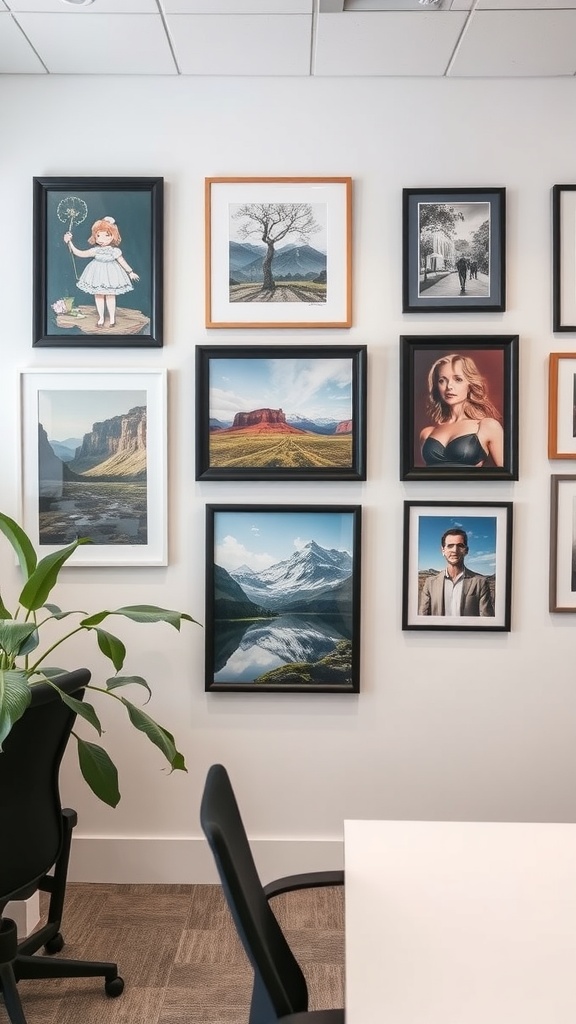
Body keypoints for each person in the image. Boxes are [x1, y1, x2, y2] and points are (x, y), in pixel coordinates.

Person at [419, 353, 504, 468]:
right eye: (442, 381)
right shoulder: (427, 433)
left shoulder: (488, 426)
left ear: (470, 385)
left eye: (458, 379)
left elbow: (507, 476)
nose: (449, 386)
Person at [63, 216, 139, 328]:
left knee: (110, 296)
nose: (101, 239)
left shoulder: (115, 251)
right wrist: (69, 242)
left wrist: (130, 272)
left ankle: (112, 318)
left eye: (106, 235)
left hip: (112, 275)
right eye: (98, 235)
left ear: (113, 236)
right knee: (98, 295)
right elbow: (80, 253)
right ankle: (101, 317)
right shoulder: (95, 250)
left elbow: (122, 261)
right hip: (97, 275)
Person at [418, 528, 494, 617]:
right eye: (450, 546)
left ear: (466, 550)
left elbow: (487, 621)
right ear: (443, 550)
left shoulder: (480, 582)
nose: (455, 550)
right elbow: (423, 618)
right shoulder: (430, 583)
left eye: (460, 546)